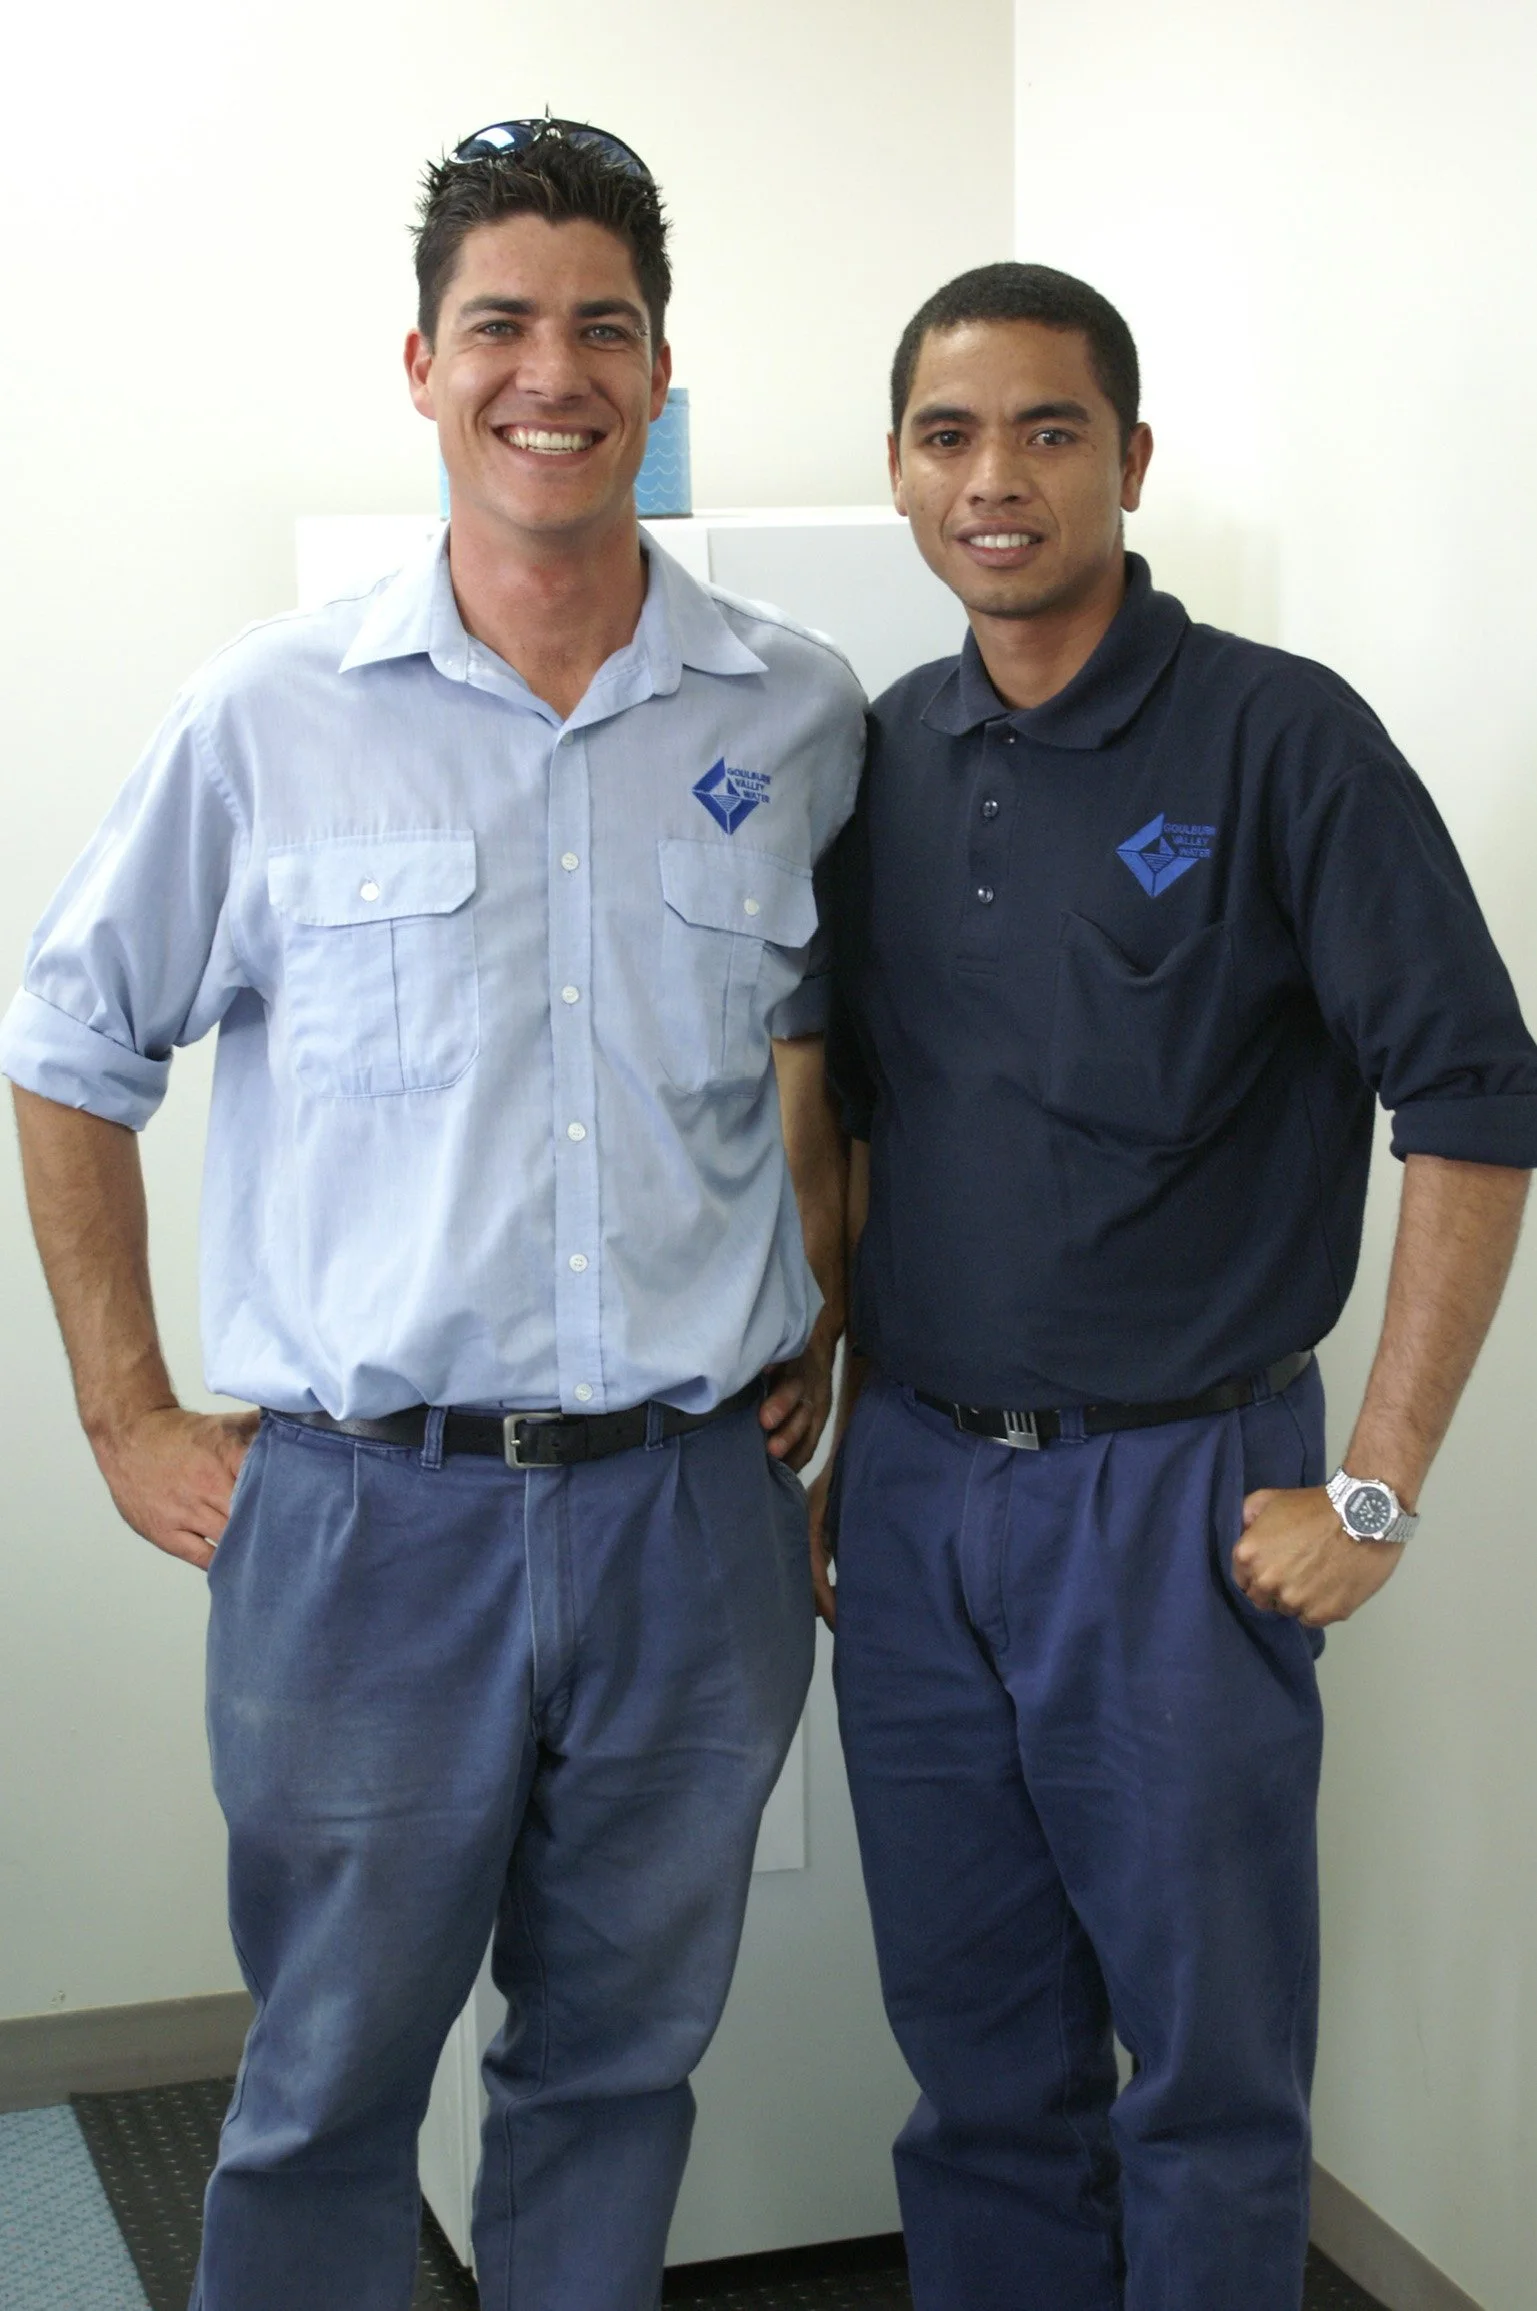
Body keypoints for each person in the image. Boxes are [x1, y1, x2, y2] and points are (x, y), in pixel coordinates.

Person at [1, 120, 861, 2311]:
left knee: (615, 2071)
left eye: (601, 326)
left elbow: (840, 1065)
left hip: (691, 1524)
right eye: (502, 324)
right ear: (421, 363)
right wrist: (125, 1411)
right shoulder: (272, 716)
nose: (548, 371)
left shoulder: (802, 714)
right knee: (321, 2088)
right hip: (367, 1537)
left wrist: (829, 1319)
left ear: (665, 371)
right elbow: (69, 1045)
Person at [819, 261, 1535, 2311]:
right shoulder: (884, 761)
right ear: (898, 470)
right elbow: (869, 1141)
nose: (998, 478)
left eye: (1050, 430)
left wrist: (1377, 1482)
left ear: (1130, 461)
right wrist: (848, 1456)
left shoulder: (1280, 740)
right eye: (951, 435)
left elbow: (1478, 1100)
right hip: (923, 1499)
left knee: (1207, 2085)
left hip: (1178, 1503)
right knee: (974, 2071)